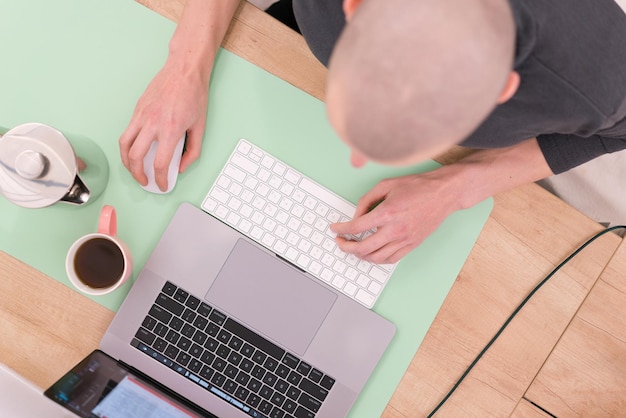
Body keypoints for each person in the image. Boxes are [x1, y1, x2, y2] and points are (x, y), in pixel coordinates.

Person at [119, 0, 626, 265]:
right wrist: (186, 64)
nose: (354, 155)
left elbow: (616, 133)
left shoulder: (593, 81)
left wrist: (455, 188)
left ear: (502, 88)